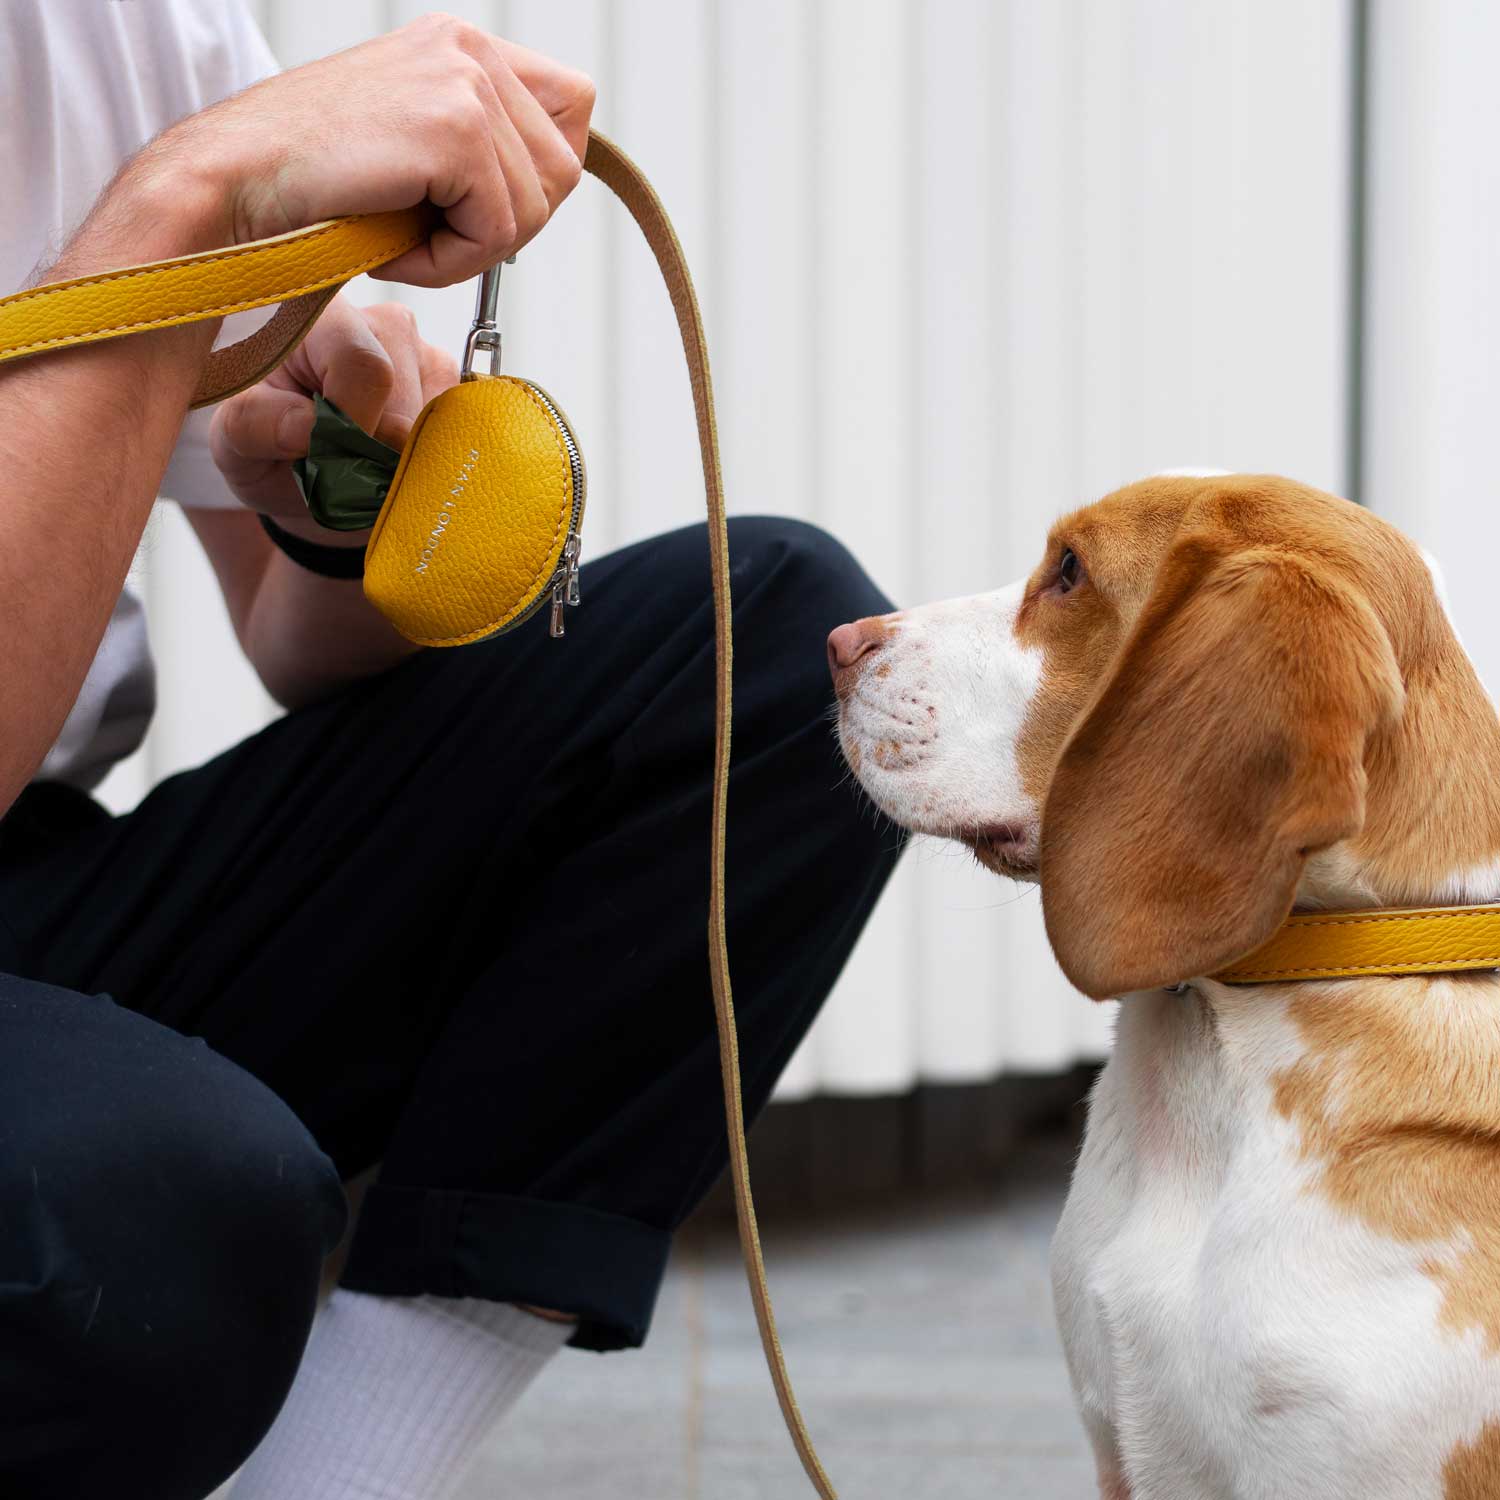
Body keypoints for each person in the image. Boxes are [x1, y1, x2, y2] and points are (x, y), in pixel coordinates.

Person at [0, 4, 903, 1499]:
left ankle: (332, 1478)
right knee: (152, 1207)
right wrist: (180, 207)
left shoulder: (128, 25)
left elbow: (290, 638)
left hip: (43, 872)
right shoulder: (175, 156)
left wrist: (331, 514)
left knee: (776, 654)